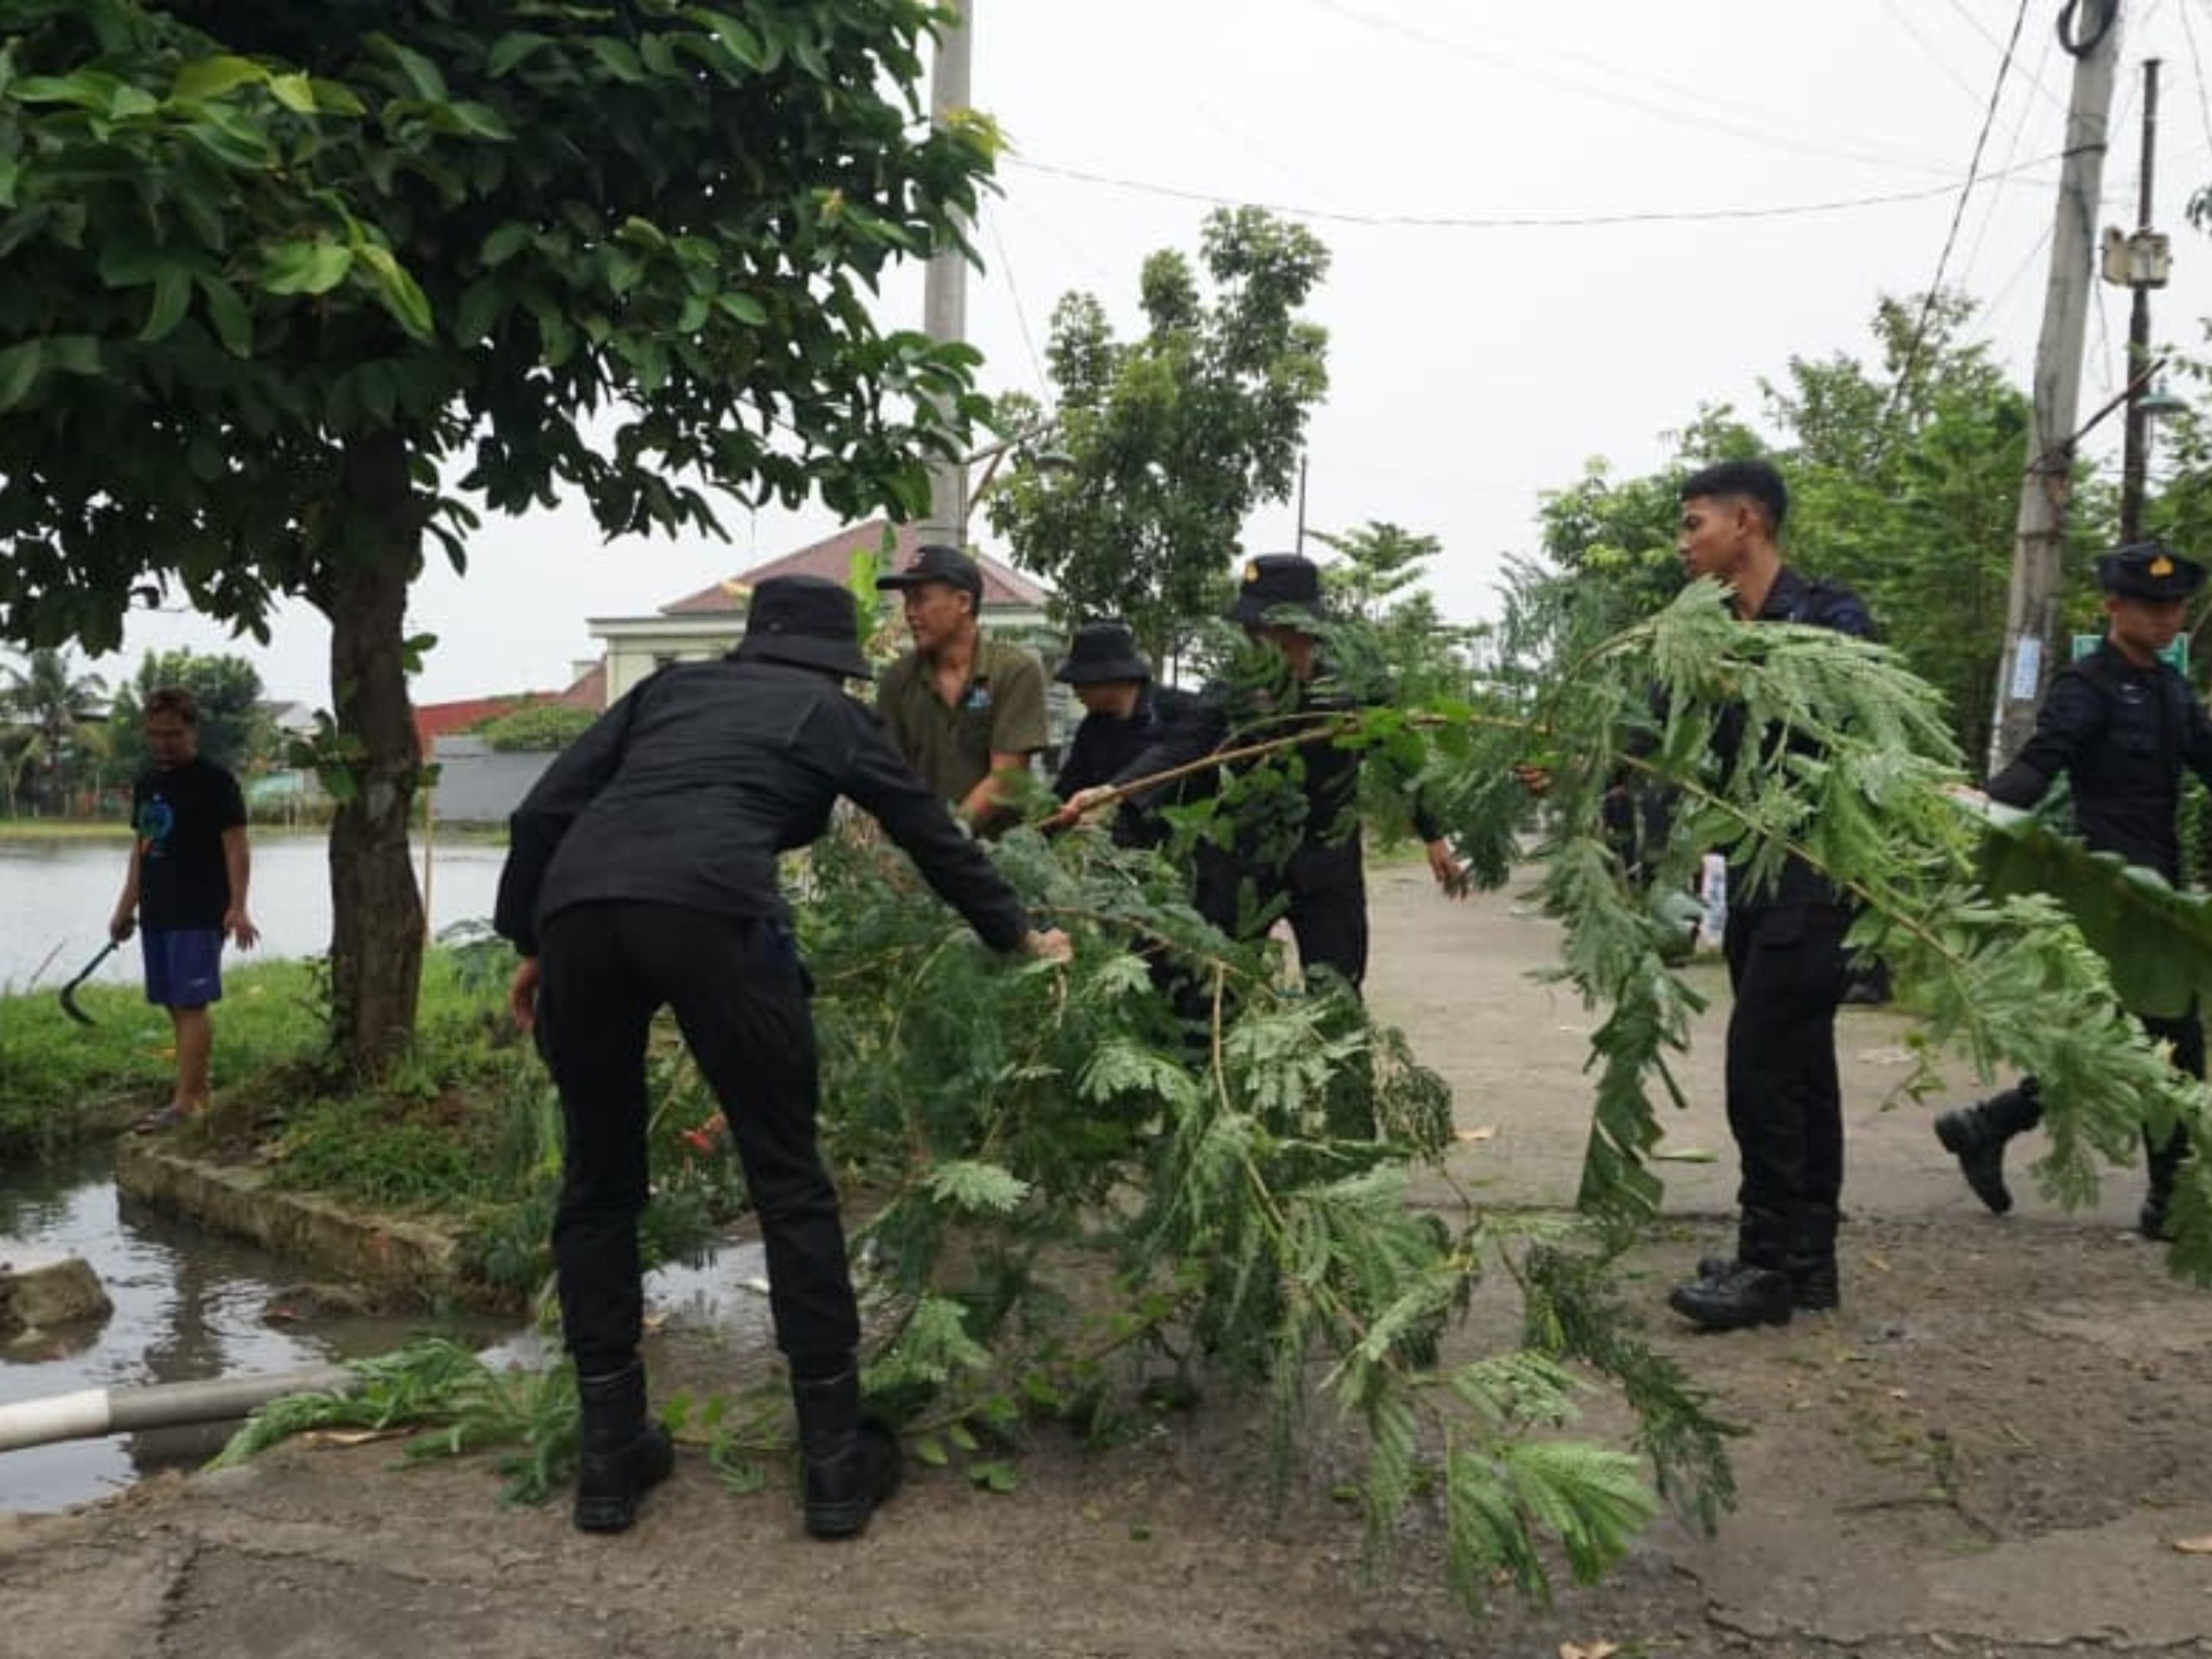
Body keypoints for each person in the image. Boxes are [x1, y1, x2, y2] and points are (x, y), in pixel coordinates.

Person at [493, 575, 1071, 1540]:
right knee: (788, 1181)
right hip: (717, 915)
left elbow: (542, 815)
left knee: (598, 1183)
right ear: (831, 659)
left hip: (583, 914)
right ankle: (836, 1466)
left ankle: (609, 1462)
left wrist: (534, 941)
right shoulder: (827, 713)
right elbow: (931, 833)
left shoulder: (664, 692)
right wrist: (1013, 932)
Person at [1934, 541, 2212, 1240]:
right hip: (2108, 901)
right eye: (2153, 606)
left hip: (2161, 898)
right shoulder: (2086, 687)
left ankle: (1989, 1124)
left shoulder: (2174, 690)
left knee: (2125, 1045)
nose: (2167, 617)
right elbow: (2040, 766)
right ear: (2114, 607)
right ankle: (2169, 1203)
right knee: (2167, 1042)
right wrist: (1981, 803)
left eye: (2176, 605)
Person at [1662, 460, 1875, 1332]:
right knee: (1801, 1069)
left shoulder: (1829, 617)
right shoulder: (1701, 629)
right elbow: (1653, 727)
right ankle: (1808, 1260)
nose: (1683, 546)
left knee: (1759, 1068)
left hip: (1816, 870)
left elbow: (1861, 723)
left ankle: (1767, 1265)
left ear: (1745, 522)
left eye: (1693, 525)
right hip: (1750, 875)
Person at [1059, 553, 1464, 995]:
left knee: (1337, 993)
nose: (1256, 642)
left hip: (1327, 865)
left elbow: (1401, 757)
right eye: (1251, 632)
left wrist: (1433, 834)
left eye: (1267, 632)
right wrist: (1117, 791)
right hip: (1244, 863)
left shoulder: (1356, 687)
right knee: (1215, 987)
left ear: (1303, 629)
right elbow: (1182, 747)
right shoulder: (1232, 688)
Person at [108, 686, 259, 1134]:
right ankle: (196, 1092)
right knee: (173, 1005)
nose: (163, 743)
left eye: (172, 733)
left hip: (198, 910)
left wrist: (238, 906)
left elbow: (236, 847)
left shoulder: (215, 782)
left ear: (192, 730)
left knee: (190, 1004)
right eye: (154, 734)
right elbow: (141, 850)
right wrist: (124, 909)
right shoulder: (147, 782)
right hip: (157, 909)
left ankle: (187, 1102)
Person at [874, 543, 1049, 836]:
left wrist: (954, 831)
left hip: (1000, 856)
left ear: (964, 602)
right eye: (907, 601)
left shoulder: (1013, 671)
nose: (909, 613)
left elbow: (1008, 777)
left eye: (921, 599)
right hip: (915, 853)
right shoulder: (898, 680)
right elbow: (888, 775)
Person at [1049, 620, 1198, 842]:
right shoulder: (1092, 728)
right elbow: (1069, 784)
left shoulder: (1180, 712)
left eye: (1082, 682)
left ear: (1110, 677)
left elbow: (1174, 754)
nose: (1076, 691)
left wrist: (1113, 793)